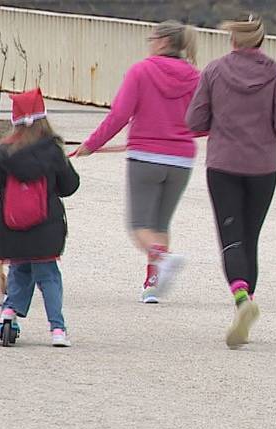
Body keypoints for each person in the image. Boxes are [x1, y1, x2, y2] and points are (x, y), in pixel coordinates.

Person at [185, 15, 276, 348]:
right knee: (251, 237)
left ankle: (241, 299)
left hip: (224, 165)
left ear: (233, 41)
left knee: (231, 237)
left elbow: (194, 120)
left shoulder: (214, 71)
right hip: (263, 166)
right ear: (261, 42)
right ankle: (246, 302)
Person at [72, 21, 201, 304]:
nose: (149, 43)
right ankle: (152, 284)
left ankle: (162, 260)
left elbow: (119, 115)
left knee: (139, 225)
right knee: (160, 224)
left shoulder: (141, 70)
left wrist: (92, 144)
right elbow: (203, 122)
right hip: (181, 160)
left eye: (152, 38)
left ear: (164, 41)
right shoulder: (195, 76)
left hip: (145, 157)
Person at [0, 89, 81, 347]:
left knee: (19, 269)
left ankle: (8, 312)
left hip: (11, 229)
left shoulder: (3, 153)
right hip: (45, 230)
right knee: (49, 276)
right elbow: (70, 186)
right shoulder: (53, 152)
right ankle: (57, 330)